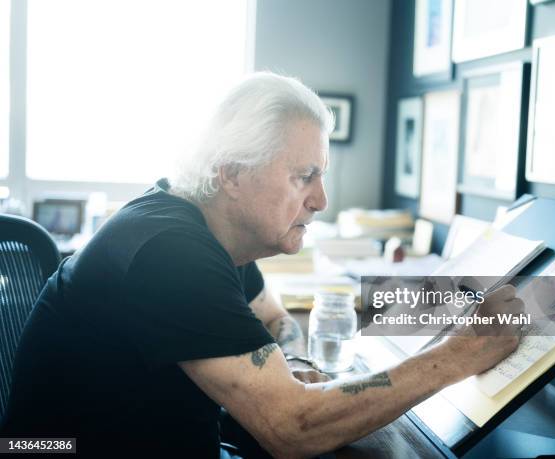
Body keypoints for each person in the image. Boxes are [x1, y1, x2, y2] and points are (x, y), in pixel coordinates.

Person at [0, 73, 522, 458]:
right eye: (304, 175)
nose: (321, 198)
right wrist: (456, 356)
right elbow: (291, 428)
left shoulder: (210, 230)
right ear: (231, 173)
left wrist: (290, 363)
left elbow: (274, 318)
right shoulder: (170, 252)